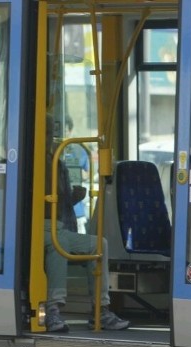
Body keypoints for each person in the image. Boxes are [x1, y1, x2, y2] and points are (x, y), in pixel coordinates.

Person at [44, 116, 129, 333]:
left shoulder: (57, 163)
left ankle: (100, 309)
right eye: (47, 132)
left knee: (98, 244)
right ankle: (52, 310)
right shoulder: (34, 163)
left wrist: (72, 197)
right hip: (39, 227)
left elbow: (58, 201)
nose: (50, 137)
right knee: (58, 241)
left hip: (57, 225)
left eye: (52, 131)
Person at [63, 116, 91, 233]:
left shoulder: (78, 150)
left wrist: (75, 173)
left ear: (69, 131)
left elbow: (87, 173)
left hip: (77, 211)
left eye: (64, 131)